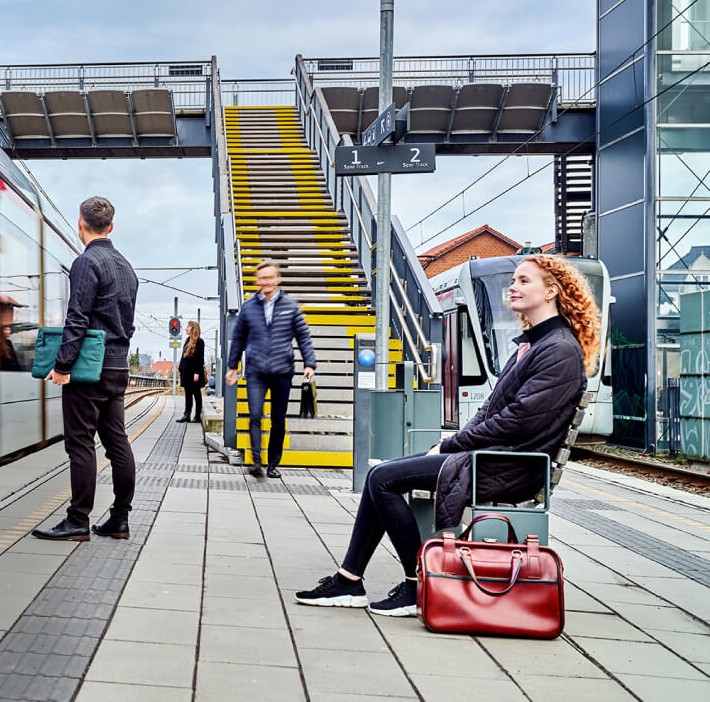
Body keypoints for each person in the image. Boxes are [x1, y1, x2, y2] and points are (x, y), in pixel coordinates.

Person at [294, 255, 600, 617]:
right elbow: (491, 412)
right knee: (384, 473)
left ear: (551, 292)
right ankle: (349, 581)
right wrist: (454, 442)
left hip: (511, 468)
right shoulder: (535, 346)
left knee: (382, 479)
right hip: (498, 459)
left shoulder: (558, 351)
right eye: (513, 280)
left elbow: (519, 422)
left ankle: (416, 584)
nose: (512, 287)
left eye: (523, 281)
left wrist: (452, 444)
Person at [33, 196, 139, 542]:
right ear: (111, 226)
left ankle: (77, 520)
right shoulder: (127, 267)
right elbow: (128, 322)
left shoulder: (86, 262)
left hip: (89, 370)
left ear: (81, 224)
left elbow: (76, 318)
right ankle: (119, 519)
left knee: (80, 444)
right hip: (118, 368)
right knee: (117, 443)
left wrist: (62, 365)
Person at [225, 259, 316, 478]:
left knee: (278, 419)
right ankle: (256, 461)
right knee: (255, 414)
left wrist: (309, 363)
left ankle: (273, 463)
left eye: (268, 277)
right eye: (261, 278)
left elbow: (303, 336)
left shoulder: (290, 306)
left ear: (277, 279)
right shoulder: (248, 307)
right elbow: (237, 339)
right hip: (256, 370)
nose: (264, 282)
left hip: (282, 371)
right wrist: (232, 366)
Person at [176, 321, 206, 423]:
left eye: (188, 327)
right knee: (188, 394)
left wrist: (197, 372)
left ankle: (197, 416)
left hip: (194, 373)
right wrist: (180, 369)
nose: (186, 328)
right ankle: (186, 414)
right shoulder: (187, 340)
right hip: (186, 372)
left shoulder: (200, 342)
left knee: (197, 394)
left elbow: (200, 359)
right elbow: (183, 357)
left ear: (193, 329)